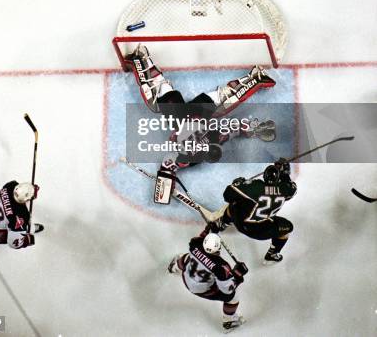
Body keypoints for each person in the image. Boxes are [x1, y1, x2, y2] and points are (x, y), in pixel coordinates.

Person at [125, 44, 276, 203]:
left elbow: (236, 128)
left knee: (220, 100)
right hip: (185, 115)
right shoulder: (194, 152)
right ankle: (141, 58)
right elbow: (167, 166)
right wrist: (163, 188)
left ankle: (255, 78)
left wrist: (256, 129)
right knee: (159, 98)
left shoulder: (215, 139)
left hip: (196, 112)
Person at [211, 159, 297, 264]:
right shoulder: (285, 189)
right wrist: (284, 173)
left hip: (241, 223)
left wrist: (237, 183)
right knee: (288, 227)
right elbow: (292, 187)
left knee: (236, 203)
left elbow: (227, 195)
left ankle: (223, 223)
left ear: (264, 176)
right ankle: (272, 254)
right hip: (261, 231)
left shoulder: (255, 186)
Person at [168, 230, 247, 332]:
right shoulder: (221, 267)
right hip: (200, 289)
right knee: (233, 298)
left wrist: (208, 230)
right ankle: (229, 322)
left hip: (186, 277)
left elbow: (200, 238)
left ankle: (174, 268)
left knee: (188, 256)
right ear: (218, 248)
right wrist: (238, 274)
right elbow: (227, 289)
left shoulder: (195, 245)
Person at [0, 180, 43, 250]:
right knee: (21, 230)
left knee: (17, 225)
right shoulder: (20, 218)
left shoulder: (10, 186)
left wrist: (30, 189)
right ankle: (29, 229)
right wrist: (27, 240)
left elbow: (0, 196)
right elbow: (13, 243)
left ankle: (24, 229)